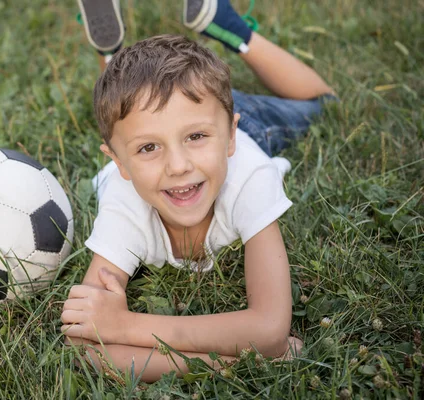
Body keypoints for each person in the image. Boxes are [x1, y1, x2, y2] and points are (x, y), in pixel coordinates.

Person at [63, 0, 336, 383]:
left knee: (323, 103)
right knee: (130, 108)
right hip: (188, 116)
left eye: (195, 138)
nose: (178, 166)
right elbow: (84, 342)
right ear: (119, 165)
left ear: (228, 136)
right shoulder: (125, 202)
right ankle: (116, 64)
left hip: (251, 125)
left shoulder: (248, 177)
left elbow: (271, 329)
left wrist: (124, 326)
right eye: (148, 148)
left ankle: (229, 27)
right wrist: (229, 364)